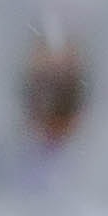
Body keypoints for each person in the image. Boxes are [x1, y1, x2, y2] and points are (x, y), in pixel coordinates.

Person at [16, 22, 89, 193]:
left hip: (59, 122)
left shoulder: (64, 75)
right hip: (47, 123)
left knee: (56, 163)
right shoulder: (41, 74)